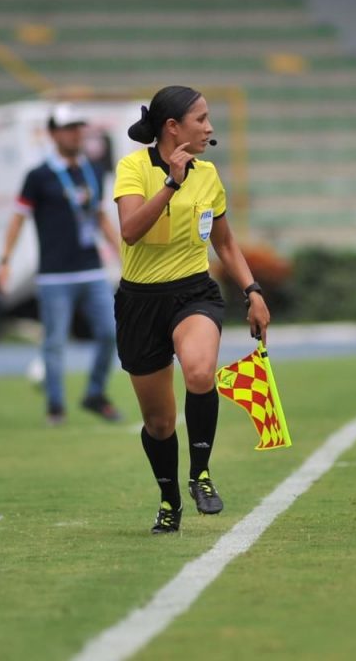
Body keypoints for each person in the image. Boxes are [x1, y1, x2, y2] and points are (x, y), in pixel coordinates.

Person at [113, 86, 270, 534]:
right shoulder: (133, 168)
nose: (210, 127)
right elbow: (130, 231)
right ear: (172, 128)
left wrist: (253, 291)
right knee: (159, 423)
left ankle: (200, 474)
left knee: (200, 372)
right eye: (201, 119)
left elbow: (224, 242)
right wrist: (170, 185)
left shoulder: (209, 175)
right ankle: (169, 501)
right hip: (140, 304)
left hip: (193, 293)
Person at [0, 103, 122, 425]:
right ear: (53, 134)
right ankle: (56, 407)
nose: (75, 133)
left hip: (92, 269)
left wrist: (123, 254)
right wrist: (5, 261)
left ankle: (95, 392)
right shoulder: (38, 176)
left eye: (78, 127)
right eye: (68, 128)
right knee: (54, 343)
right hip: (54, 275)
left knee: (110, 333)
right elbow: (17, 219)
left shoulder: (92, 170)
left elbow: (98, 217)